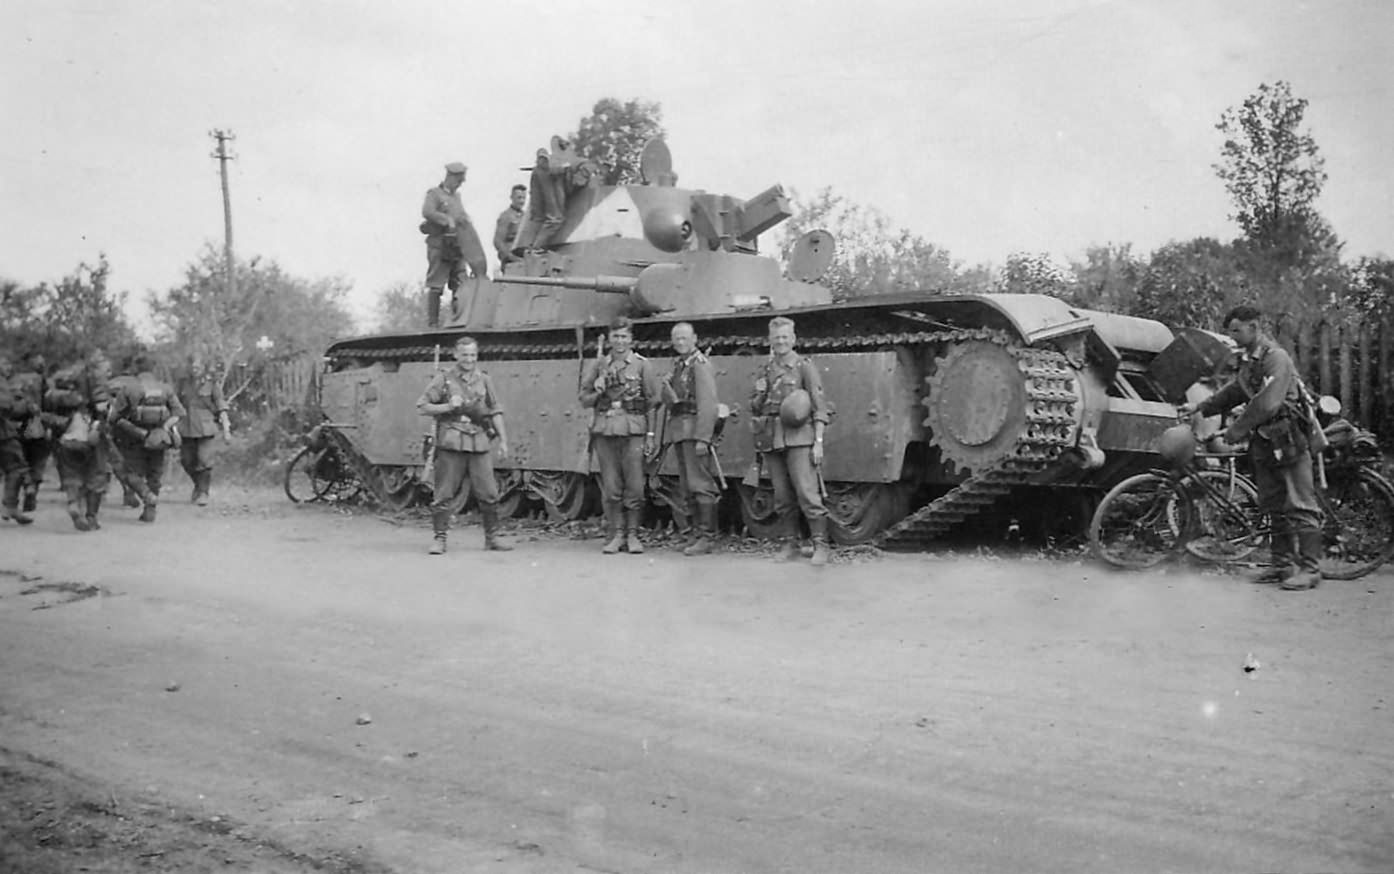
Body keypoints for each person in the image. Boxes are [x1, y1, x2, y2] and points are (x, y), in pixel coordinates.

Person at [1181, 304, 1323, 591]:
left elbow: (1267, 403)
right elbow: (1236, 391)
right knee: (1273, 504)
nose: (1232, 337)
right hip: (1265, 443)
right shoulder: (1249, 360)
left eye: (1236, 331)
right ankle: (1282, 565)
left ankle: (1311, 569)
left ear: (1255, 327)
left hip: (1288, 439)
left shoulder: (1276, 358)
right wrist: (1200, 406)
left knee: (1300, 504)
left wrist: (1236, 430)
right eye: (1230, 332)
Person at [416, 336, 513, 555]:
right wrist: (448, 406)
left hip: (479, 442)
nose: (469, 359)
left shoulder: (485, 380)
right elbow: (422, 405)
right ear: (456, 355)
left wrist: (504, 440)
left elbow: (495, 411)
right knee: (444, 494)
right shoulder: (444, 379)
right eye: (465, 355)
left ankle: (492, 538)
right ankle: (439, 539)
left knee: (489, 493)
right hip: (451, 441)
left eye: (472, 355)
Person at [749, 316, 832, 566]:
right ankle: (790, 543)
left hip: (800, 439)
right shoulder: (765, 369)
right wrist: (761, 392)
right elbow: (754, 406)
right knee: (782, 496)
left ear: (793, 339)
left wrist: (817, 442)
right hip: (772, 439)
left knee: (808, 494)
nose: (781, 342)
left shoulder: (804, 367)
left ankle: (821, 545)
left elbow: (820, 408)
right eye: (776, 338)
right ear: (770, 341)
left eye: (785, 337)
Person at [579, 317, 662, 554]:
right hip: (606, 431)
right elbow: (583, 400)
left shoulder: (642, 365)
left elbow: (652, 402)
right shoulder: (599, 366)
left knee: (635, 487)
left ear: (631, 339)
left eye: (624, 336)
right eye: (615, 336)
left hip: (634, 431)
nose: (620, 341)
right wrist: (598, 389)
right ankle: (615, 535)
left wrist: (651, 435)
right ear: (610, 338)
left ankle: (633, 535)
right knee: (612, 487)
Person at [659, 322, 721, 555]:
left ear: (695, 339)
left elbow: (708, 404)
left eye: (684, 338)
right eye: (676, 338)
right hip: (680, 431)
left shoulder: (700, 365)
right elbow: (672, 403)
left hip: (694, 432)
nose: (680, 342)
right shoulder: (678, 366)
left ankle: (707, 537)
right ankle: (695, 534)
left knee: (700, 484)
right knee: (687, 485)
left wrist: (703, 438)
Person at [109, 353, 186, 523]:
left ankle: (146, 494)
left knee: (130, 472)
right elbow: (179, 413)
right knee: (154, 474)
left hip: (134, 438)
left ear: (137, 369)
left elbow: (114, 417)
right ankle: (150, 511)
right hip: (158, 438)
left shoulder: (129, 389)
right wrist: (165, 428)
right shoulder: (165, 388)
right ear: (153, 369)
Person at [41, 352, 113, 531]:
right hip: (89, 436)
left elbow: (46, 409)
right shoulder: (97, 384)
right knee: (95, 476)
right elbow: (103, 410)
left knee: (72, 475)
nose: (109, 371)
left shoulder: (61, 386)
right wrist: (99, 427)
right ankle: (91, 516)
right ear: (96, 367)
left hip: (65, 437)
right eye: (106, 367)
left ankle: (73, 504)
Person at [421, 162, 489, 328]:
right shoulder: (434, 194)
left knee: (459, 282)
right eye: (458, 180)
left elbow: (460, 215)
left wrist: (465, 220)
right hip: (440, 245)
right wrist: (446, 220)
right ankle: (433, 323)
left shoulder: (456, 197)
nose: (460, 183)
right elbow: (427, 211)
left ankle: (456, 319)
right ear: (450, 177)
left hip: (457, 246)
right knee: (436, 283)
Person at [175, 356, 231, 506]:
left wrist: (226, 428)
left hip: (206, 428)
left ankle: (203, 492)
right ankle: (198, 485)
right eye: (192, 366)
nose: (195, 369)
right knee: (186, 461)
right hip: (186, 427)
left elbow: (221, 405)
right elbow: (175, 404)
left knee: (204, 460)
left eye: (198, 367)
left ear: (203, 368)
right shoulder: (182, 384)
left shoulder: (212, 384)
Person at [11, 351, 50, 513]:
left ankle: (22, 492)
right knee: (38, 461)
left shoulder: (13, 380)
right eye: (40, 362)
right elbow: (48, 403)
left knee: (19, 462)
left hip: (15, 426)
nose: (42, 365)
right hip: (36, 425)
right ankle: (32, 489)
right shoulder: (41, 380)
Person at [0, 354, 36, 525]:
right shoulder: (3, 383)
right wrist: (26, 406)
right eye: (4, 363)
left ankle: (11, 507)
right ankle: (10, 506)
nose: (8, 367)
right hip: (4, 434)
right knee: (17, 468)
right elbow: (7, 406)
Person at [106, 355, 143, 509]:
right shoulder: (139, 384)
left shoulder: (110, 384)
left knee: (116, 460)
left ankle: (125, 488)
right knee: (134, 459)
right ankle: (131, 490)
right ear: (133, 368)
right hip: (135, 427)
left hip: (114, 426)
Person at [493, 184, 526, 270]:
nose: (522, 201)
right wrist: (512, 257)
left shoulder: (525, 217)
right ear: (512, 198)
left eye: (524, 198)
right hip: (510, 262)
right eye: (519, 198)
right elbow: (498, 241)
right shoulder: (506, 216)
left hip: (524, 259)